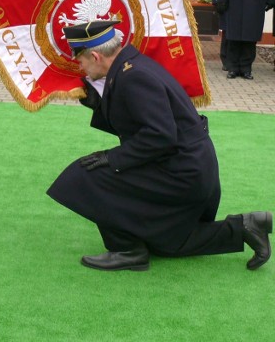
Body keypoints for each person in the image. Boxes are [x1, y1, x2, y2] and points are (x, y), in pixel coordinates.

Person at [46, 20, 272, 272]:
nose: (80, 66)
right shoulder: (131, 66)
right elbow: (141, 123)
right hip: (191, 170)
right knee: (167, 246)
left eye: (81, 60)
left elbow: (160, 136)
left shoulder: (133, 77)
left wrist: (113, 158)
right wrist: (98, 105)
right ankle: (246, 226)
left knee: (85, 177)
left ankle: (127, 250)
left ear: (96, 55)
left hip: (182, 176)